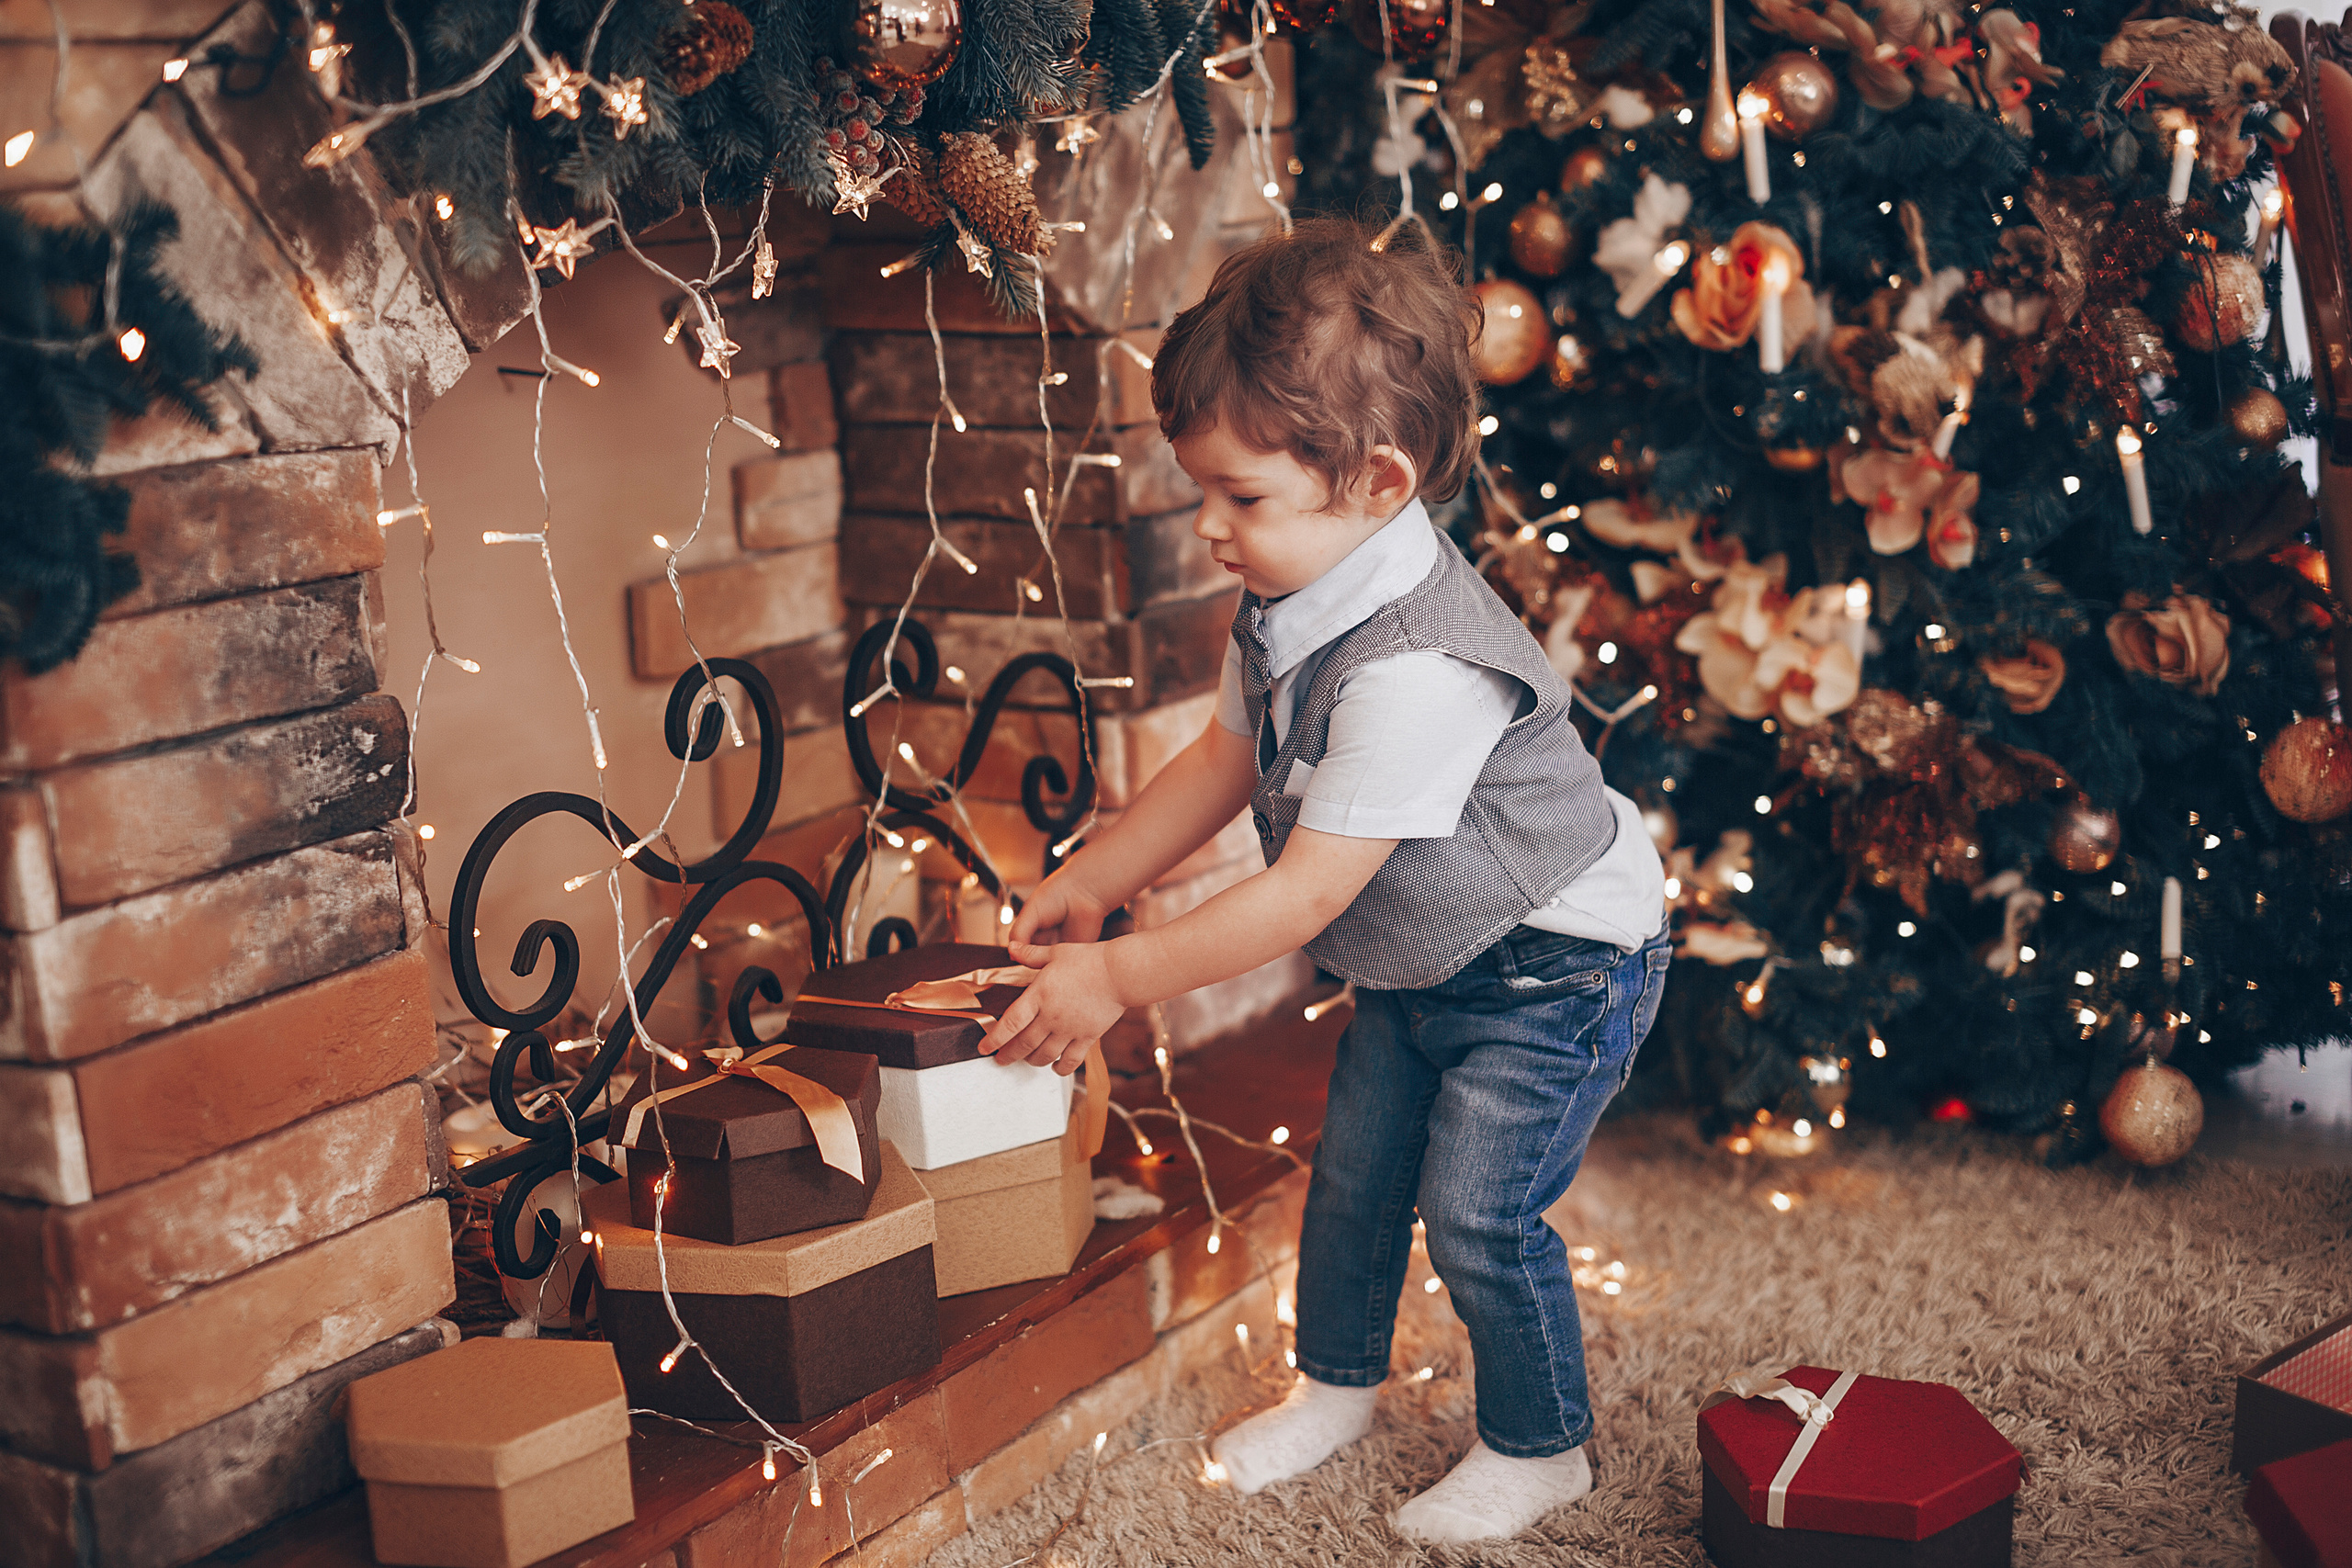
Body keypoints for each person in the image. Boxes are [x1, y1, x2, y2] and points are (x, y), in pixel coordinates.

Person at [978, 216, 1669, 1545]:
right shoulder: (1293, 604)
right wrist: (1096, 875)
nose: (1210, 530)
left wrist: (1118, 977)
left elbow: (1301, 898)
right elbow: (1225, 757)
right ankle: (1338, 1383)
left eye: (1242, 499)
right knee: (1352, 1179)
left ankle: (1544, 1445)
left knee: (1480, 1208)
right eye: (1203, 493)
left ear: (1375, 482)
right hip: (1426, 957)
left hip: (1553, 968)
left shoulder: (1418, 668)